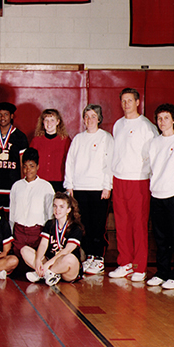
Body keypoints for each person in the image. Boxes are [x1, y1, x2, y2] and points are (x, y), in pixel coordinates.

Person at [108, 88, 158, 282]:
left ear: (138, 102)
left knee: (138, 224)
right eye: (123, 101)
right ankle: (125, 262)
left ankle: (139, 266)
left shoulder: (147, 126)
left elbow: (153, 156)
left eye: (130, 100)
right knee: (122, 223)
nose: (126, 104)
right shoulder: (118, 125)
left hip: (139, 180)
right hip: (119, 179)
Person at [64, 104, 113, 275]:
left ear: (99, 119)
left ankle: (98, 257)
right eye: (86, 116)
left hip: (98, 188)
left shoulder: (106, 138)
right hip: (80, 188)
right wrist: (69, 185)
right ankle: (89, 257)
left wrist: (107, 186)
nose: (89, 119)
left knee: (98, 225)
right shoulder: (78, 139)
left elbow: (110, 164)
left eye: (93, 116)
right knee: (83, 225)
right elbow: (69, 163)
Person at [146, 104, 174, 290]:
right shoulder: (154, 143)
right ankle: (162, 273)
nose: (162, 122)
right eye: (159, 118)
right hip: (157, 194)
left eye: (166, 118)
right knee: (160, 238)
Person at [22, 192, 84, 286]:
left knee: (69, 258)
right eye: (55, 206)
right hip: (50, 262)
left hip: (66, 268)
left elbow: (67, 250)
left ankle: (43, 273)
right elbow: (43, 244)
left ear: (68, 210)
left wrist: (47, 264)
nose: (57, 210)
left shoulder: (76, 227)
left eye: (61, 207)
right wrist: (38, 260)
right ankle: (49, 274)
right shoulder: (50, 224)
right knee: (24, 250)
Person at [0, 102, 28, 213]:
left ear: (12, 116)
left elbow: (22, 163)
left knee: (10, 218)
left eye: (6, 114)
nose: (3, 118)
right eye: (0, 115)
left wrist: (22, 185)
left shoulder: (20, 136)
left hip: (11, 185)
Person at [9, 147, 55, 256]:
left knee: (34, 264)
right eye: (25, 167)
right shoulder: (16, 186)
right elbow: (12, 212)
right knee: (17, 265)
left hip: (36, 233)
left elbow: (50, 215)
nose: (28, 170)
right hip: (19, 232)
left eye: (32, 166)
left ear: (38, 167)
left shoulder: (46, 187)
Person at [30, 109, 71, 192]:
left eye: (52, 120)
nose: (49, 123)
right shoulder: (36, 140)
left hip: (59, 182)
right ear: (43, 122)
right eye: (46, 120)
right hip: (39, 181)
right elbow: (30, 162)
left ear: (58, 122)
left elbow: (71, 162)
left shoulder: (66, 140)